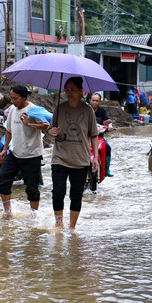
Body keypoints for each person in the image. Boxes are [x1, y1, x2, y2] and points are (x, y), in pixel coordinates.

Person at [48, 77, 99, 229]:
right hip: (59, 158)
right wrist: (52, 131)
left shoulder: (88, 110)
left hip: (80, 160)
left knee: (76, 195)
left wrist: (95, 157)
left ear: (81, 91)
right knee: (58, 192)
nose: (69, 93)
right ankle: (59, 224)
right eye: (67, 90)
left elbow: (94, 134)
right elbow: (50, 130)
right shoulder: (59, 108)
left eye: (73, 90)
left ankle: (71, 228)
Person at [0, 85, 50, 218]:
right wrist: (4, 149)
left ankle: (33, 216)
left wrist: (29, 124)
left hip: (32, 155)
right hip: (14, 153)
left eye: (16, 98)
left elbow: (47, 125)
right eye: (11, 97)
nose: (13, 101)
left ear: (25, 97)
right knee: (2, 181)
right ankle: (7, 212)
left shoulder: (33, 110)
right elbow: (8, 130)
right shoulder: (13, 110)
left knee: (32, 189)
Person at [88, 92, 114, 177]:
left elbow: (107, 121)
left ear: (100, 102)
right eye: (93, 100)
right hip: (85, 136)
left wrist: (109, 126)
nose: (95, 102)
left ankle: (106, 169)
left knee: (107, 147)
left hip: (99, 136)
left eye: (97, 101)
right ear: (89, 100)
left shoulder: (102, 110)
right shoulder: (85, 109)